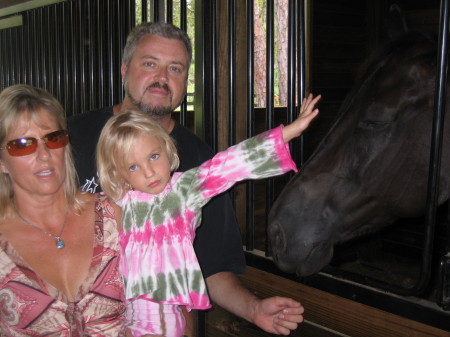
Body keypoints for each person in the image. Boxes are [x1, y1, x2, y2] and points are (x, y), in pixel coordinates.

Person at [69, 21, 306, 335]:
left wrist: (253, 309)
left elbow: (213, 262)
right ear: (125, 69)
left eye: (175, 68)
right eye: (150, 63)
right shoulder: (67, 137)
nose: (162, 78)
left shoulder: (196, 166)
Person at [96, 93, 319, 336]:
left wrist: (289, 132)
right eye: (133, 166)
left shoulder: (184, 190)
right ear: (120, 175)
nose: (149, 172)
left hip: (164, 320)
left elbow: (228, 164)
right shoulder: (120, 204)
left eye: (153, 156)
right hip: (125, 317)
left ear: (166, 148)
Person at [0, 84, 126, 336]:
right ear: (2, 162)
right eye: (23, 144)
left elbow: (168, 296)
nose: (44, 154)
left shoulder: (114, 214)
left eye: (53, 138)